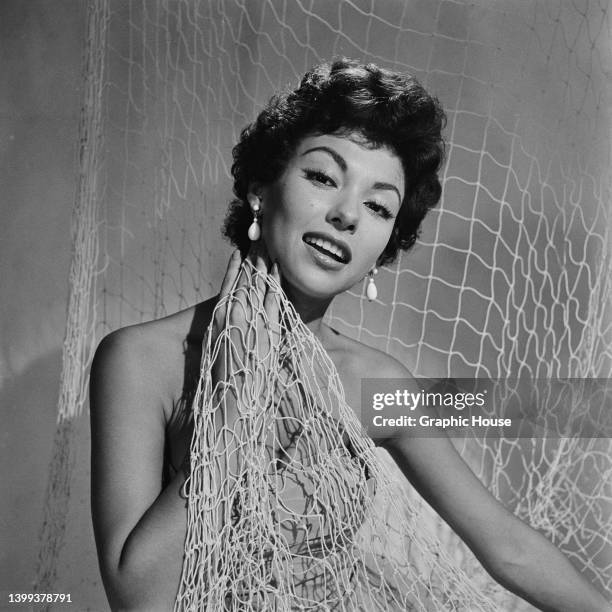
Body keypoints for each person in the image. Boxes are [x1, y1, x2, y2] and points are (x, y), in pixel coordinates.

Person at [90, 59, 611, 611]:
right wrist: (241, 393)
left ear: (384, 249)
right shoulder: (144, 359)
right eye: (322, 177)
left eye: (378, 206)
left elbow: (509, 550)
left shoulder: (374, 383)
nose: (346, 215)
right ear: (262, 189)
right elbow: (139, 596)